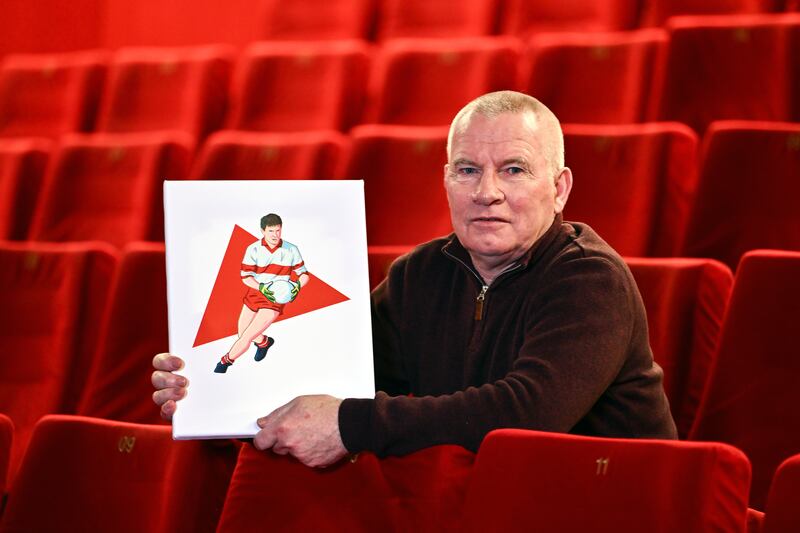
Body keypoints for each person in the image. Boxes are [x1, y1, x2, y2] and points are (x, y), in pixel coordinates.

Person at [153, 91, 677, 468]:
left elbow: (527, 413)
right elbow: (326, 379)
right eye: (467, 170)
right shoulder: (417, 276)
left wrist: (351, 425)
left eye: (514, 170)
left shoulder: (589, 278)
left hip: (612, 508)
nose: (486, 192)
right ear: (446, 180)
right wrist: (215, 393)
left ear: (559, 189)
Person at [214, 213, 309, 373]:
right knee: (242, 331)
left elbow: (304, 273)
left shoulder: (291, 249)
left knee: (247, 336)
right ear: (263, 231)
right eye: (271, 231)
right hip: (256, 293)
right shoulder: (253, 249)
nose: (275, 235)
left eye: (278, 230)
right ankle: (264, 342)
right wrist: (261, 288)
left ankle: (224, 363)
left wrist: (297, 285)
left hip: (275, 298)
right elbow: (246, 277)